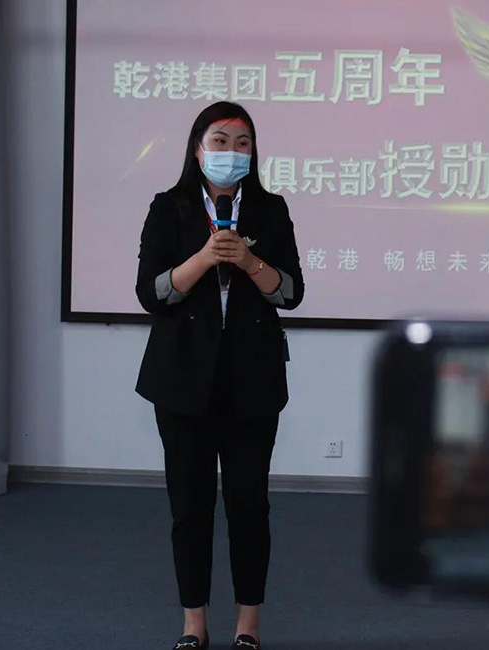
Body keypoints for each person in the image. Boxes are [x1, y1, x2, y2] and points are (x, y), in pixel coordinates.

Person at [135, 101, 304, 650]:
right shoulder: (170, 207)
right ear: (197, 149)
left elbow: (291, 293)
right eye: (220, 141)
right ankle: (194, 625)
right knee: (190, 507)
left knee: (249, 506)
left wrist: (250, 263)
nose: (231, 152)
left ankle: (248, 627)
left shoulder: (271, 210)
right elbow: (151, 293)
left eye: (243, 143)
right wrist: (205, 258)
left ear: (253, 154)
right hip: (182, 380)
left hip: (252, 381)